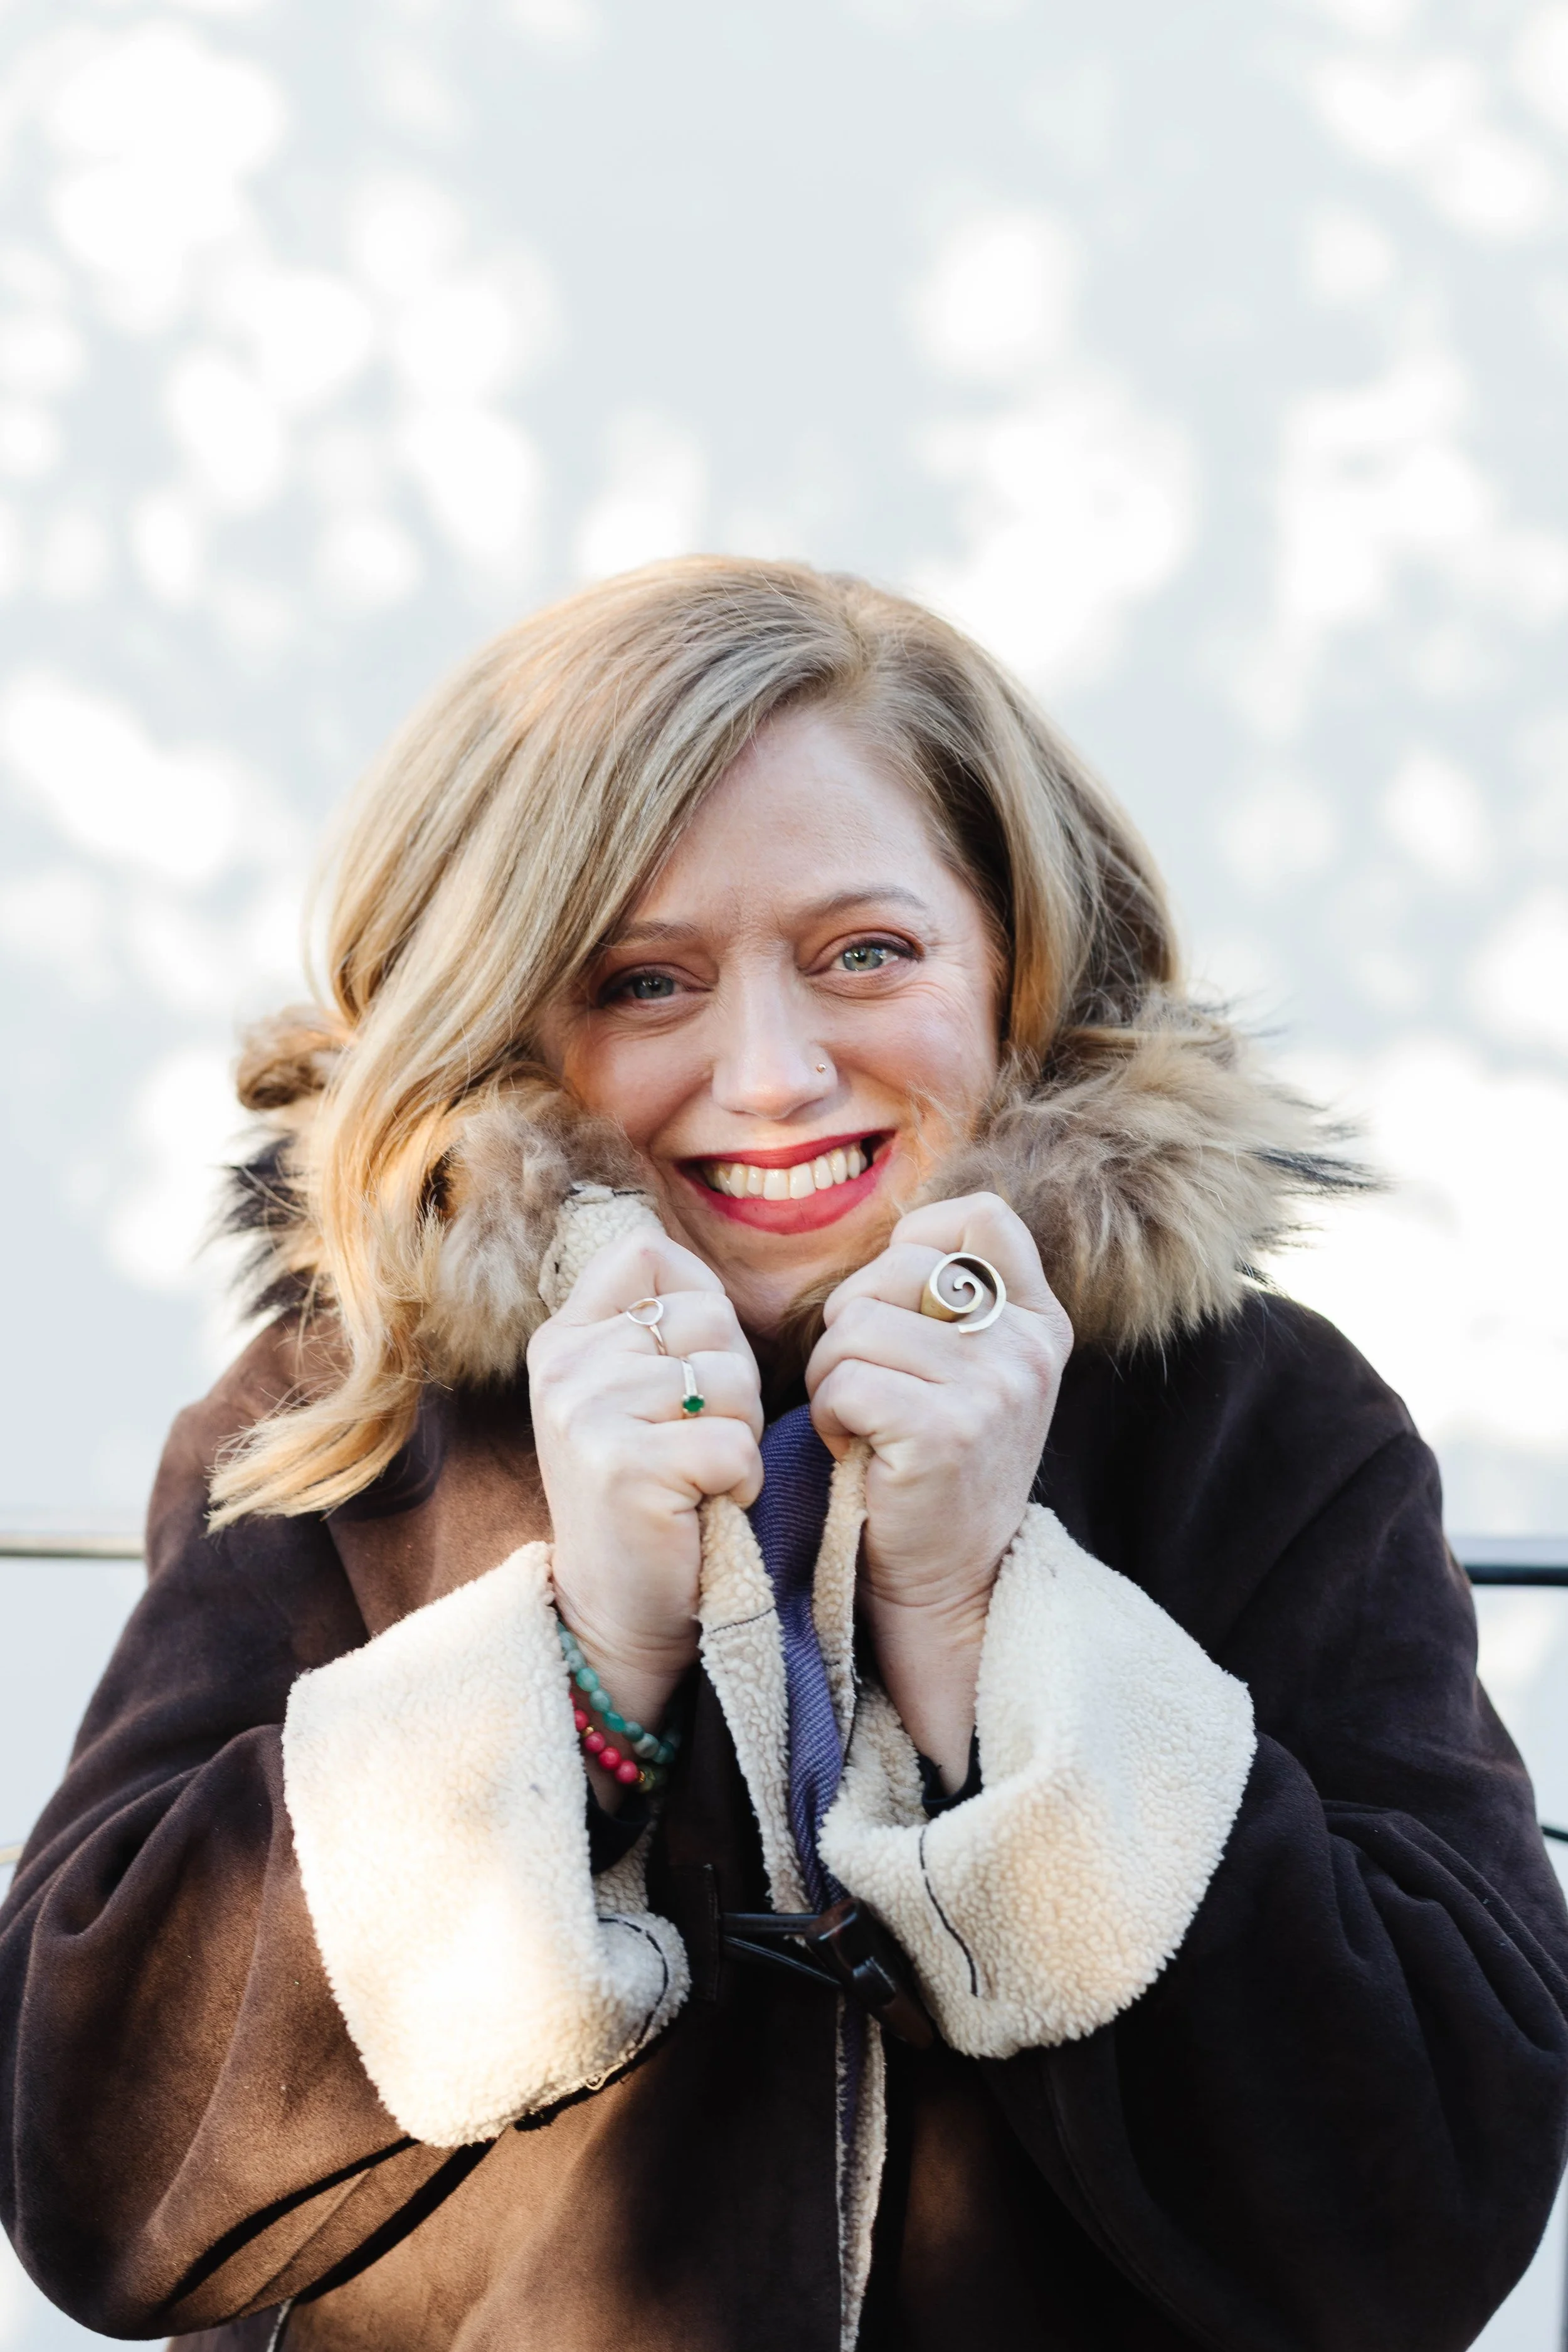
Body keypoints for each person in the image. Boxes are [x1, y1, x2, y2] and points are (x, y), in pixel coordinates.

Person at [1, 558, 1565, 2352]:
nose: (767, 1074)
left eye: (863, 954)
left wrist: (991, 1633)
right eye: (644, 980)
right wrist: (579, 1660)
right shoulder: (337, 1424)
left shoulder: (1262, 1424)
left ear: (1014, 958)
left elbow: (1432, 2203)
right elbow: (91, 2175)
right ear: (511, 1022)